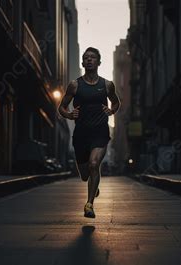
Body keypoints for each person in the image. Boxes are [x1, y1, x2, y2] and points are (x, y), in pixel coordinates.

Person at [58, 47, 120, 218]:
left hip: (100, 132)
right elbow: (61, 107)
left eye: (93, 57)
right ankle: (94, 184)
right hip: (81, 135)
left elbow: (116, 102)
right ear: (83, 62)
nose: (89, 60)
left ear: (99, 62)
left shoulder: (107, 85)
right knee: (85, 175)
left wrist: (111, 111)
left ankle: (89, 204)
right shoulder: (75, 85)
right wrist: (69, 115)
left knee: (94, 165)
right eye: (86, 58)